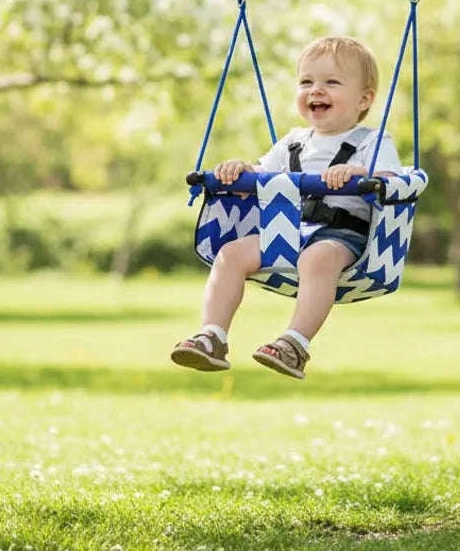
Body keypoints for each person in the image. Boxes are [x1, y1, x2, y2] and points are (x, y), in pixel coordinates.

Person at [171, 36, 403, 380]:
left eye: (331, 82)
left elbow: (393, 179)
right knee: (232, 253)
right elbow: (261, 172)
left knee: (316, 259)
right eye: (306, 81)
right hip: (288, 232)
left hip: (343, 236)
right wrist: (241, 169)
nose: (316, 90)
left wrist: (359, 173)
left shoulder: (373, 141)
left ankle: (294, 344)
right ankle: (212, 336)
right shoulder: (292, 142)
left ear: (363, 99)